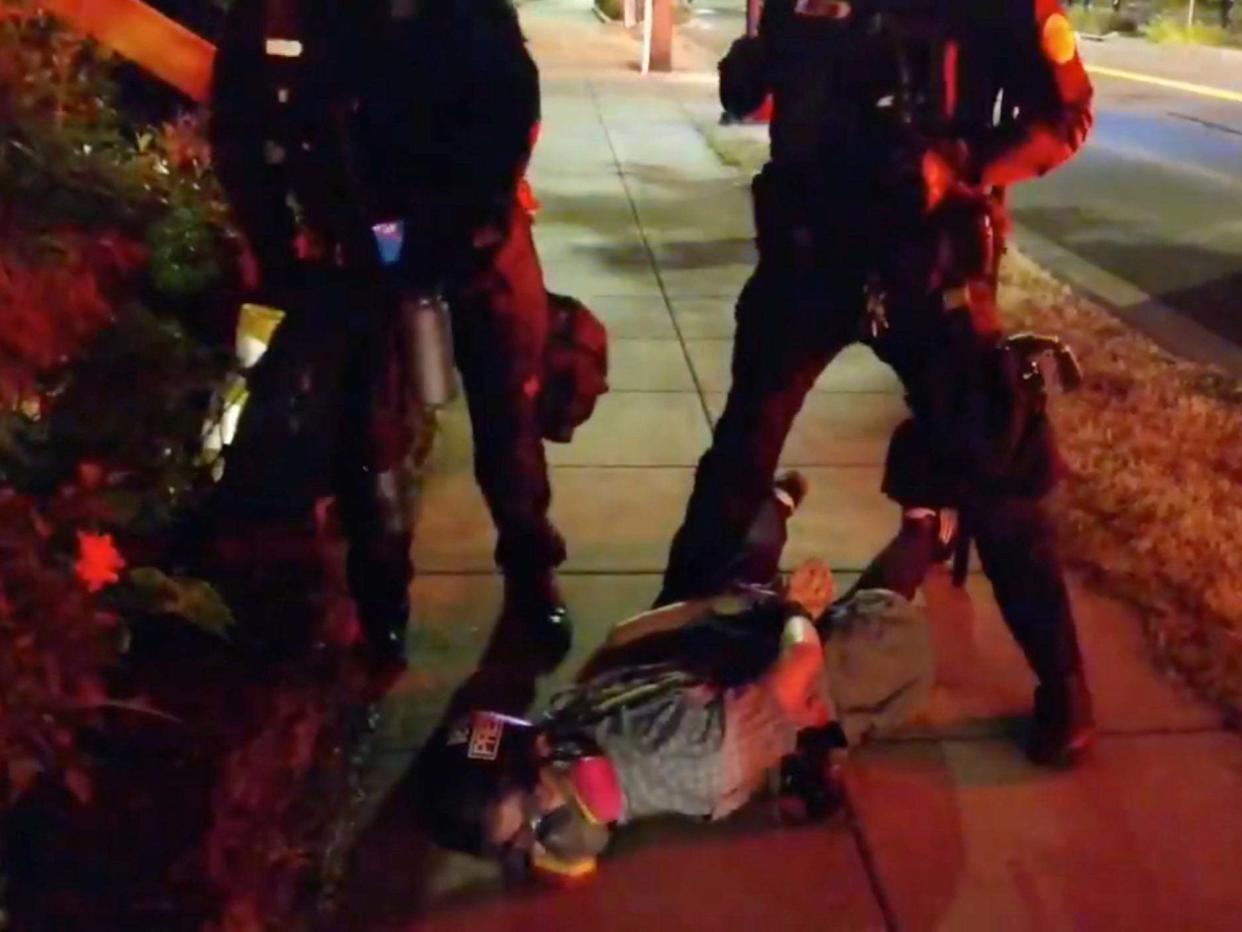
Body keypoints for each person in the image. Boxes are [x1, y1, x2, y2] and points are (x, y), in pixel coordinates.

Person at [654, 0, 1096, 765]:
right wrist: (770, 42)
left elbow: (1068, 113)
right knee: (741, 450)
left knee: (996, 462)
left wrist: (960, 163)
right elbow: (744, 89)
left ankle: (1063, 681)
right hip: (812, 258)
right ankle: (669, 642)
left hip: (929, 267)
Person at [208, 0, 575, 672]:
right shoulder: (280, 15)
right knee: (366, 441)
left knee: (508, 418)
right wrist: (280, 247)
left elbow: (511, 96)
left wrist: (474, 217)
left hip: (471, 233)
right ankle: (382, 611)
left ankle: (530, 572)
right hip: (358, 242)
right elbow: (240, 125)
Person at [416, 475, 934, 881]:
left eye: (527, 816)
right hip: (781, 695)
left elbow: (628, 639)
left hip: (711, 669)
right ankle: (925, 527)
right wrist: (797, 613)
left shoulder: (576, 729)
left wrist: (754, 606)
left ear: (540, 744)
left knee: (724, 569)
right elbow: (799, 671)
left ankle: (776, 508)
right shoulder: (699, 757)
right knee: (884, 634)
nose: (538, 832)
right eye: (519, 842)